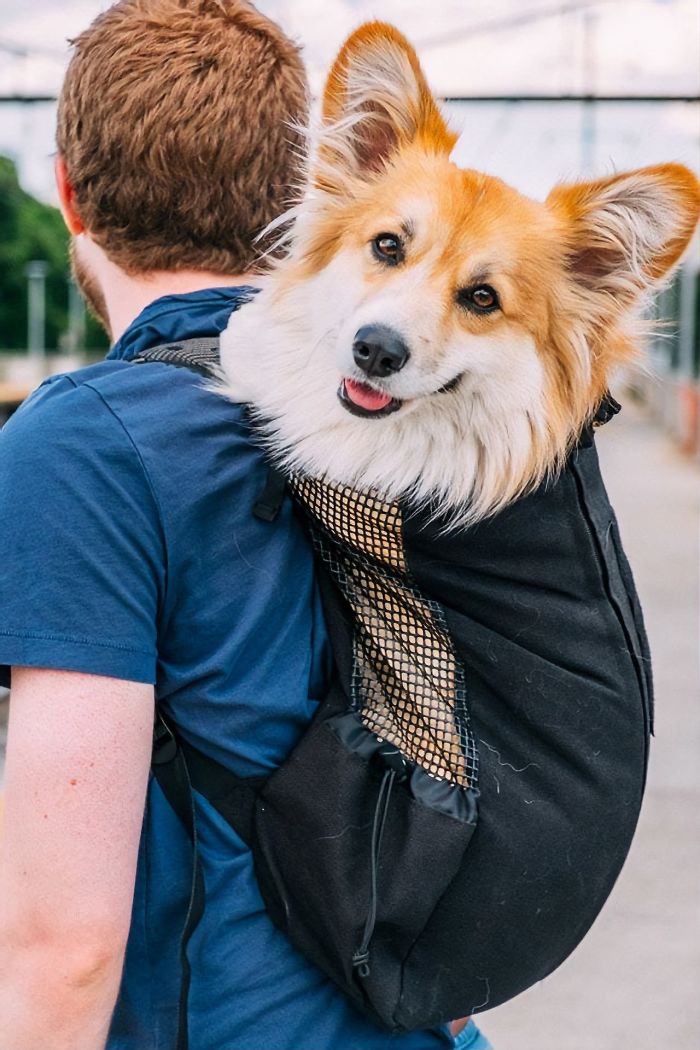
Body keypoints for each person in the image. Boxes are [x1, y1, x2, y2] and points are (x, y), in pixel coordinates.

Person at [0, 2, 492, 1048]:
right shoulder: (402, 403)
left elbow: (64, 944)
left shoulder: (86, 447)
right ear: (292, 193)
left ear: (70, 193)